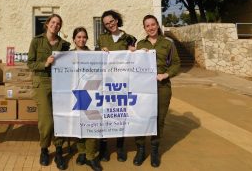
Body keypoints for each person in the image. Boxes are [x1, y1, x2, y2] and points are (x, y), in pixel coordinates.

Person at [133, 14, 180, 167]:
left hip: (162, 87)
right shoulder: (140, 44)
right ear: (144, 28)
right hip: (143, 88)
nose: (151, 28)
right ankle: (140, 150)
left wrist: (166, 74)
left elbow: (176, 64)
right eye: (147, 26)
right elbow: (132, 63)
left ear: (157, 25)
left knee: (158, 120)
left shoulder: (168, 43)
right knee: (141, 118)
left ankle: (154, 151)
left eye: (153, 24)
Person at [27, 14, 71, 170]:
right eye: (53, 22)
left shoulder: (64, 44)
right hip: (42, 82)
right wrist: (45, 63)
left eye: (58, 23)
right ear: (47, 24)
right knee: (46, 121)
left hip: (60, 84)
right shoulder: (37, 41)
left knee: (60, 118)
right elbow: (30, 63)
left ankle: (59, 151)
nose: (55, 25)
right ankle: (44, 149)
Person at [97, 10, 137, 162]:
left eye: (112, 21)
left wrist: (133, 51)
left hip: (122, 83)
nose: (110, 25)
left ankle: (120, 148)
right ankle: (104, 149)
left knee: (120, 115)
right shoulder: (102, 38)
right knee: (105, 116)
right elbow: (97, 58)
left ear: (117, 20)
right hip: (106, 83)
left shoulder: (128, 38)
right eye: (106, 23)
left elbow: (134, 57)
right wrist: (100, 51)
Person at [71, 27, 102, 171]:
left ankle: (91, 156)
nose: (81, 39)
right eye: (78, 37)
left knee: (91, 124)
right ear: (74, 39)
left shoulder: (93, 54)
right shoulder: (67, 55)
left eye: (84, 37)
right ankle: (81, 152)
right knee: (78, 124)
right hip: (74, 93)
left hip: (90, 92)